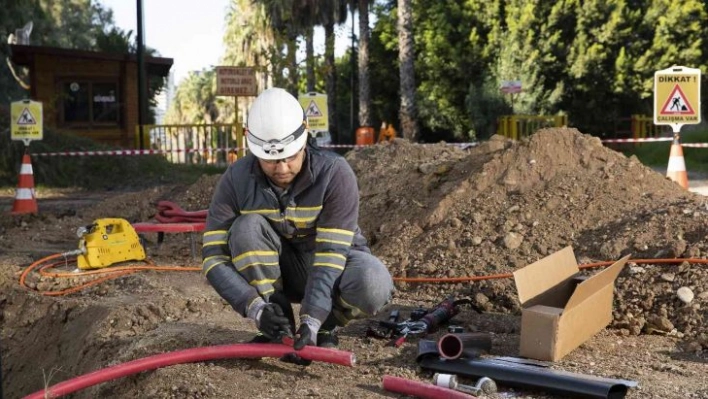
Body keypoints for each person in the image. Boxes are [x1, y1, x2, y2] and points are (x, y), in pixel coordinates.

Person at [201, 87, 394, 353]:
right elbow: (213, 257)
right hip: (282, 271)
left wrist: (313, 320)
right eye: (270, 160)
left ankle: (328, 325)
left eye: (290, 156)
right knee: (245, 229)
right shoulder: (236, 179)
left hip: (333, 269)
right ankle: (277, 324)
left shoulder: (334, 174)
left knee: (373, 282)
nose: (281, 168)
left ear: (304, 140)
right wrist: (256, 309)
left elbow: (330, 254)